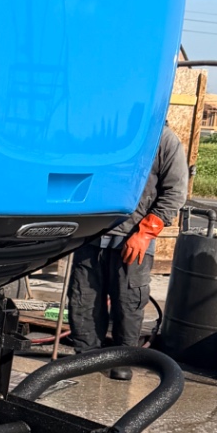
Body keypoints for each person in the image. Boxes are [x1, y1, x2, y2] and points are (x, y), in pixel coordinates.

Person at [67, 124, 187, 379]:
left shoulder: (164, 141)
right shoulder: (107, 134)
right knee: (83, 300)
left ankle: (123, 360)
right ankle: (86, 359)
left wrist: (144, 234)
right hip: (90, 236)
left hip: (134, 240)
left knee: (128, 304)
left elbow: (175, 193)